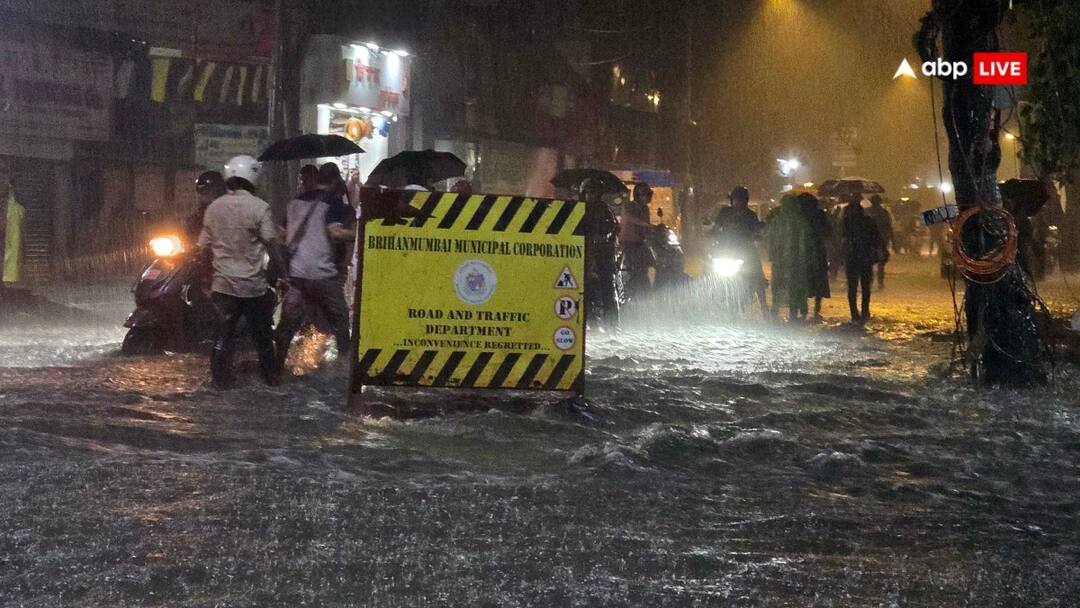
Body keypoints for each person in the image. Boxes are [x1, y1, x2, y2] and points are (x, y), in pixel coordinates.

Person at [197, 155, 282, 388]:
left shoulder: (214, 208)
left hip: (223, 286)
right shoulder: (260, 207)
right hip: (253, 287)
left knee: (222, 337)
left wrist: (205, 279)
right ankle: (271, 381)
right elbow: (272, 244)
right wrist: (283, 274)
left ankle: (219, 382)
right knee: (263, 338)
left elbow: (203, 248)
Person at [274, 163, 356, 370]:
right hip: (323, 275)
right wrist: (360, 234)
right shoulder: (332, 203)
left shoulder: (294, 203)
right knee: (341, 322)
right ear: (336, 182)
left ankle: (276, 368)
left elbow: (281, 234)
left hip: (298, 276)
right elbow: (336, 232)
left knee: (287, 325)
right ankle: (344, 371)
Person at [712, 185, 768, 314]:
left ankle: (764, 308)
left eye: (740, 199)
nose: (737, 202)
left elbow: (756, 230)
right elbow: (716, 227)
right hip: (725, 250)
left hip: (746, 251)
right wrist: (711, 233)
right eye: (735, 199)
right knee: (710, 270)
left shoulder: (751, 215)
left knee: (757, 276)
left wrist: (758, 235)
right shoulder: (724, 212)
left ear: (745, 201)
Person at [580, 178, 620, 328]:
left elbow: (612, 226)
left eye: (593, 192)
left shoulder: (604, 209)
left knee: (607, 287)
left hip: (603, 254)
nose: (590, 195)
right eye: (588, 192)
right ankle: (589, 322)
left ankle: (612, 324)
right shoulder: (579, 209)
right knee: (585, 288)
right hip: (584, 253)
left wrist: (602, 236)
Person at [766, 193, 812, 321]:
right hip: (796, 261)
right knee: (795, 286)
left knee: (778, 284)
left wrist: (772, 254)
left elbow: (769, 238)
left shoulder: (777, 221)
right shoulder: (801, 222)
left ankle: (775, 310)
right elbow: (807, 242)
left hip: (780, 260)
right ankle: (794, 312)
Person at [841, 192, 885, 324]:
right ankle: (865, 311)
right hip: (866, 257)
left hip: (852, 258)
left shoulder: (847, 223)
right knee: (866, 286)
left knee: (852, 286)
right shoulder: (868, 221)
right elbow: (877, 238)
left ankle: (854, 313)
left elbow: (842, 239)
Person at [798, 192, 831, 321]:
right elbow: (828, 231)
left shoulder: (799, 216)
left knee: (803, 280)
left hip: (803, 252)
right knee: (819, 281)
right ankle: (816, 310)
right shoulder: (819, 214)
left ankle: (804, 310)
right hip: (817, 251)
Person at [619, 182, 653, 299]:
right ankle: (631, 292)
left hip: (641, 242)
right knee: (634, 269)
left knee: (648, 264)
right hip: (629, 242)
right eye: (646, 195)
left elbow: (647, 227)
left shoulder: (645, 209)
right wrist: (645, 224)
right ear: (638, 195)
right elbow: (630, 218)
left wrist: (654, 231)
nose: (648, 198)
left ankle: (646, 292)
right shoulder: (628, 206)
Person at [1, 171, 26, 293]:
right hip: (10, 221)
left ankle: (9, 278)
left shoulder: (12, 195)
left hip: (11, 222)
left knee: (12, 250)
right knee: (10, 250)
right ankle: (8, 278)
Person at [185, 171, 226, 242]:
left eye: (207, 191)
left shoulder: (225, 208)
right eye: (201, 192)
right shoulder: (202, 210)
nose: (203, 196)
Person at [866, 195, 893, 289]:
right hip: (873, 240)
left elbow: (888, 227)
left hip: (879, 241)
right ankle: (875, 281)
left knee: (878, 262)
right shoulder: (868, 212)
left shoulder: (882, 213)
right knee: (874, 262)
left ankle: (877, 281)